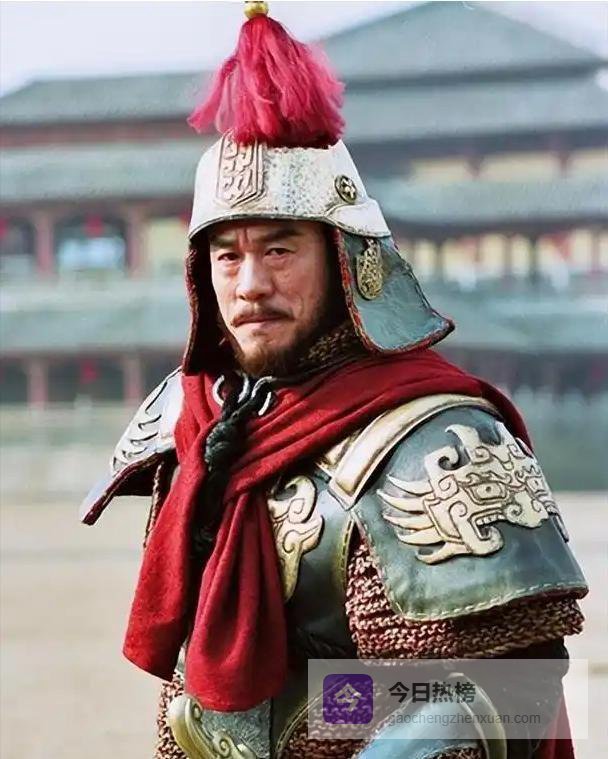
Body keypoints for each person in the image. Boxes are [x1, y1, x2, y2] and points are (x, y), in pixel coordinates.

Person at [80, 3, 588, 758]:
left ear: (347, 263)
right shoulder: (193, 425)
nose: (250, 284)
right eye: (228, 255)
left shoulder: (436, 438)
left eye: (280, 250)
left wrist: (329, 720)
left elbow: (507, 695)